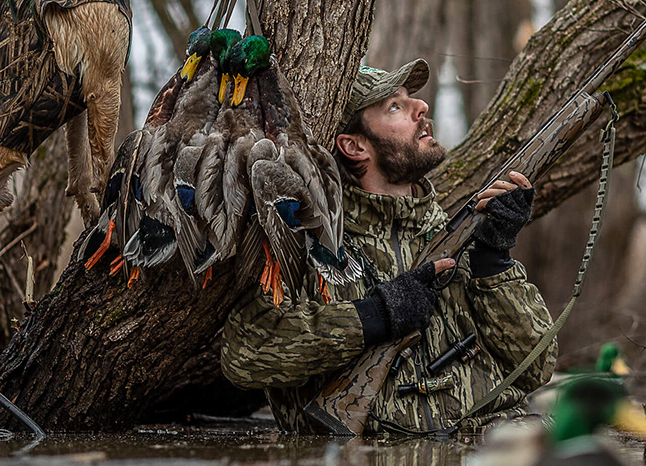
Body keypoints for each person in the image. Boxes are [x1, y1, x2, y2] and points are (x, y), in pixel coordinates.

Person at [221, 59, 556, 437]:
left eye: (411, 98)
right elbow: (244, 354)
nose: (421, 108)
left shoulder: (460, 238)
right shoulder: (306, 241)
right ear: (354, 145)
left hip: (493, 450)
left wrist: (494, 260)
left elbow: (537, 367)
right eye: (395, 106)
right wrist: (373, 316)